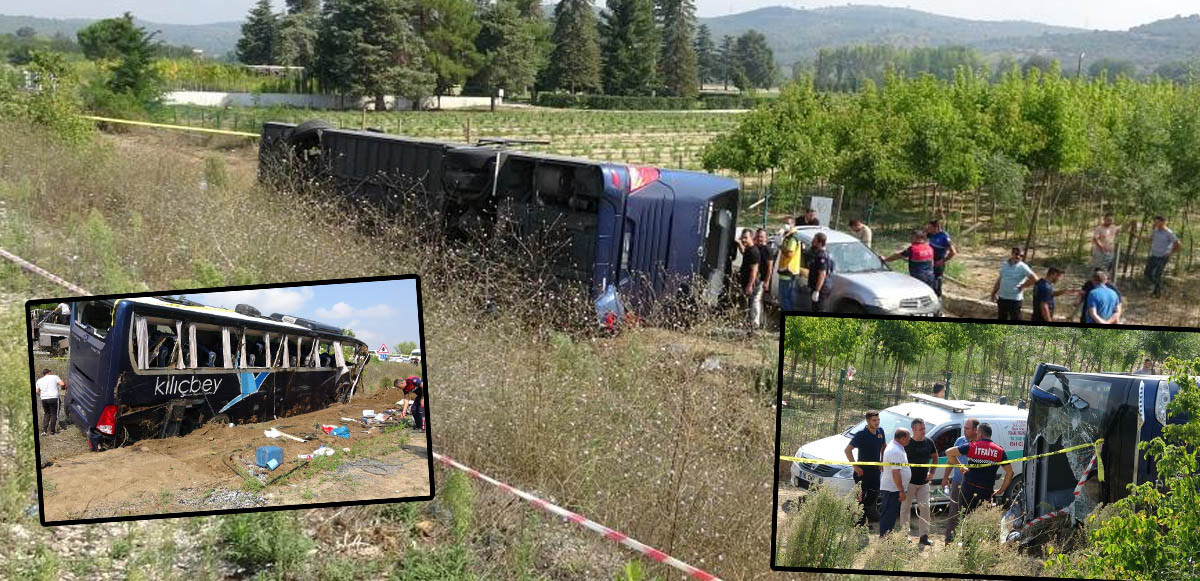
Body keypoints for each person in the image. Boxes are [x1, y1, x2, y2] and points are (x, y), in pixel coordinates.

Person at [944, 423, 1013, 544]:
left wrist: (961, 467)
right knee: (985, 520)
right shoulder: (999, 451)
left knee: (966, 520)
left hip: (968, 491)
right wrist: (1002, 489)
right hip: (986, 492)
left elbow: (949, 452)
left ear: (980, 433)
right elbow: (1010, 473)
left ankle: (967, 548)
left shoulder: (972, 446)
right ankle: (988, 547)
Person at [900, 419, 938, 545]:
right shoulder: (907, 443)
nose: (923, 431)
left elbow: (935, 456)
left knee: (925, 508)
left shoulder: (929, 442)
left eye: (924, 428)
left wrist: (932, 472)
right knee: (905, 509)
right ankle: (905, 536)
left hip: (923, 482)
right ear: (913, 430)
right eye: (921, 429)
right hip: (908, 482)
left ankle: (924, 536)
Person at [940, 417, 978, 543]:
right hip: (958, 482)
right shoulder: (960, 441)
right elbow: (950, 459)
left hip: (974, 484)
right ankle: (949, 541)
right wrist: (945, 477)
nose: (964, 431)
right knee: (953, 513)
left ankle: (967, 541)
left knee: (971, 514)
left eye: (967, 428)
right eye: (964, 428)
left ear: (975, 430)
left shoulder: (979, 443)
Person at [846, 410, 886, 525]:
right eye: (874, 420)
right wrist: (856, 467)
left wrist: (882, 461)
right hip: (862, 472)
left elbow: (884, 446)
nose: (877, 422)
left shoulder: (880, 431)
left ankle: (862, 517)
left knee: (874, 494)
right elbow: (848, 450)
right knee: (860, 497)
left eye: (878, 420)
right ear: (868, 421)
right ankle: (860, 523)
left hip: (875, 471)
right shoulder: (861, 434)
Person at [879, 428, 912, 537]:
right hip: (892, 489)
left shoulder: (898, 448)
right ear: (902, 438)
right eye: (908, 438)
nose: (909, 440)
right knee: (888, 516)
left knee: (891, 516)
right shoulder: (895, 451)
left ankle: (887, 539)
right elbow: (896, 472)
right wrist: (901, 491)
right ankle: (885, 541)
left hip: (894, 489)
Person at [991, 247, 1038, 321]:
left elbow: (1035, 279)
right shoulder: (1004, 265)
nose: (1018, 257)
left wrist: (1023, 286)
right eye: (1016, 254)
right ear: (1012, 254)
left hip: (1015, 300)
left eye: (1021, 255)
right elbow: (1000, 279)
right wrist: (993, 293)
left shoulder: (1023, 267)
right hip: (1002, 298)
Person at [1144, 216, 1181, 298]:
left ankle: (1158, 293)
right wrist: (1137, 235)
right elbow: (1149, 239)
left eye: (1158, 222)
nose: (1156, 224)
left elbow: (1177, 243)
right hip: (1154, 255)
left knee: (1157, 275)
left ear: (1164, 222)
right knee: (1147, 273)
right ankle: (1158, 288)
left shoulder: (1169, 232)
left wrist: (1171, 252)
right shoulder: (1155, 231)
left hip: (1162, 256)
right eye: (1156, 222)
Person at [737, 229, 763, 329]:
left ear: (752, 238)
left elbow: (754, 271)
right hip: (746, 281)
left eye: (745, 238)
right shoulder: (748, 249)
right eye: (742, 237)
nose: (743, 240)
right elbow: (744, 252)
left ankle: (753, 327)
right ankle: (747, 325)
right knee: (747, 305)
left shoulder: (754, 252)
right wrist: (739, 243)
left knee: (753, 305)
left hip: (752, 283)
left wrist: (749, 285)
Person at [925, 220, 957, 297]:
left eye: (930, 227)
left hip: (938, 262)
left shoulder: (944, 237)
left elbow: (953, 252)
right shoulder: (930, 234)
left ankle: (938, 298)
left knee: (937, 282)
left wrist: (943, 261)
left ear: (936, 228)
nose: (928, 229)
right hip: (930, 261)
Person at [776, 221, 803, 311]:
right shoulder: (788, 237)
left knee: (785, 297)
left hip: (788, 271)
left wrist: (780, 246)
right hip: (787, 270)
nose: (785, 225)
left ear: (793, 225)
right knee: (786, 297)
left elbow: (789, 254)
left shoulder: (792, 238)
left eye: (788, 223)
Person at [805, 232, 834, 312]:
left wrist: (817, 291)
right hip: (820, 287)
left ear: (820, 243)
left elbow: (822, 274)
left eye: (814, 241)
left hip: (821, 289)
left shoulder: (822, 256)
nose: (812, 242)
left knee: (818, 309)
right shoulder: (823, 253)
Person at [35, 368, 66, 436]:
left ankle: (44, 431)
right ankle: (52, 431)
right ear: (49, 372)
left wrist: (43, 394)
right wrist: (64, 387)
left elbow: (37, 391)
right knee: (54, 414)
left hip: (44, 398)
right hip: (54, 398)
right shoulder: (54, 377)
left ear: (44, 374)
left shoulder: (39, 380)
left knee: (47, 413)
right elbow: (62, 384)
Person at [755, 229, 776, 299]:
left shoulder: (767, 250)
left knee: (757, 299)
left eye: (761, 237)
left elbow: (770, 267)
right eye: (758, 236)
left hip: (763, 279)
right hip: (756, 278)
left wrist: (767, 282)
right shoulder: (756, 247)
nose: (759, 238)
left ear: (765, 238)